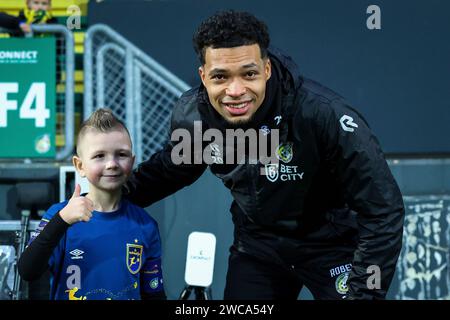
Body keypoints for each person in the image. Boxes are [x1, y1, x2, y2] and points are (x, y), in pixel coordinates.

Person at [125, 10, 405, 300]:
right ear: (204, 77)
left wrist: (364, 294)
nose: (236, 91)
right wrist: (105, 198)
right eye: (220, 77)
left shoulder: (324, 115)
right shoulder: (196, 118)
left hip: (331, 244)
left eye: (249, 74)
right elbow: (169, 171)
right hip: (258, 247)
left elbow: (382, 209)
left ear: (267, 69)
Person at [18, 108, 166, 300]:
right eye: (99, 156)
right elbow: (28, 271)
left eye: (121, 154)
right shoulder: (61, 215)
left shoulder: (145, 224)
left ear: (132, 161)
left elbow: (154, 293)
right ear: (80, 166)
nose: (112, 164)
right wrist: (62, 220)